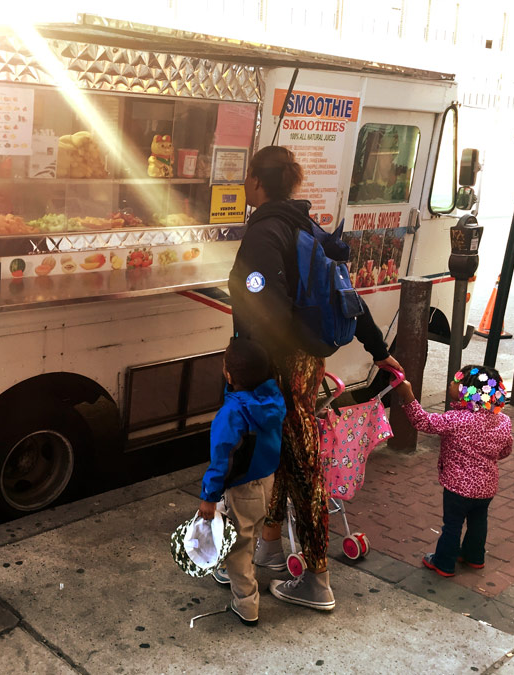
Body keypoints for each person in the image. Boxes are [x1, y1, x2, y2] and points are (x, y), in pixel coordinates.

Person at [229, 145, 404, 611]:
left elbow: (266, 308)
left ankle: (316, 579)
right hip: (306, 365)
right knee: (287, 457)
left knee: (303, 468)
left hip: (280, 367)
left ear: (258, 182)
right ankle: (269, 547)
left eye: (248, 177)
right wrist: (379, 349)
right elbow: (349, 297)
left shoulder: (266, 233)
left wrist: (256, 368)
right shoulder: (306, 225)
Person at [197, 337, 287, 626]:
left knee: (238, 547)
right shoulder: (274, 400)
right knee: (248, 534)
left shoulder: (231, 414)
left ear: (229, 375)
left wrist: (208, 497)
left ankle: (246, 603)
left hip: (243, 487)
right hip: (266, 480)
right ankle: (232, 573)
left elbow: (221, 460)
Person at [395, 365, 513, 577]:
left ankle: (444, 563)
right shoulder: (503, 421)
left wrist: (408, 396)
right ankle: (474, 557)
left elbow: (423, 422)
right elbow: (505, 450)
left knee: (452, 525)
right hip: (487, 487)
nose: (451, 383)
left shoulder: (457, 419)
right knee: (479, 522)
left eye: (456, 381)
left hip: (457, 488)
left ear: (468, 392)